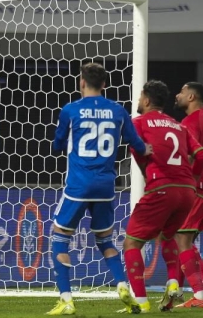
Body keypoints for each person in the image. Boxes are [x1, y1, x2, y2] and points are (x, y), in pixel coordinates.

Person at [46, 63, 152, 316]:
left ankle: (67, 299)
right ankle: (122, 284)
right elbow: (137, 144)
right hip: (106, 186)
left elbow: (57, 145)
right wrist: (146, 149)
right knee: (104, 239)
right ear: (105, 84)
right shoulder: (117, 110)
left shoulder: (70, 110)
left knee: (60, 236)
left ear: (82, 82)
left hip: (79, 185)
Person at [124, 80, 203, 313]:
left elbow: (137, 151)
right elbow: (199, 155)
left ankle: (140, 301)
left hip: (164, 187)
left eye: (140, 98)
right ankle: (174, 282)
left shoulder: (138, 122)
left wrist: (150, 175)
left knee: (132, 242)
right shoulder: (179, 126)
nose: (138, 101)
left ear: (146, 100)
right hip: (187, 190)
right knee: (170, 236)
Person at [157, 81, 203, 310]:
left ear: (192, 97)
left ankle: (200, 294)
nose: (178, 94)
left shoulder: (190, 122)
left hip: (197, 189)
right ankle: (179, 292)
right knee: (186, 241)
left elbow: (194, 157)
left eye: (182, 91)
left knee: (181, 240)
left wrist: (190, 184)